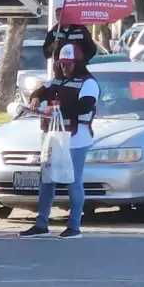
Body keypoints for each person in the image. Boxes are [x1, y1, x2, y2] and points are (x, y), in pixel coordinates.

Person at [19, 43, 99, 239]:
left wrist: (57, 110)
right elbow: (40, 89)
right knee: (46, 180)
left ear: (78, 63)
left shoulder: (88, 83)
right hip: (54, 136)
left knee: (73, 181)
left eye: (69, 64)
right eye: (62, 63)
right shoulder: (57, 81)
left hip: (77, 137)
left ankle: (74, 226)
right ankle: (41, 224)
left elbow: (85, 106)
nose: (65, 67)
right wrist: (36, 97)